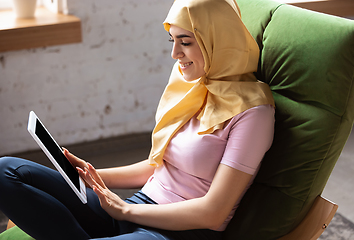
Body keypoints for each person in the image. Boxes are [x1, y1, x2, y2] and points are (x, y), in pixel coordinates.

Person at [0, 0, 275, 239]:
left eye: (186, 42)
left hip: (179, 231)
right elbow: (158, 168)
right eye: (173, 41)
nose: (175, 54)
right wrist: (88, 176)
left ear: (218, 40)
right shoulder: (192, 88)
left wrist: (126, 210)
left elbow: (214, 213)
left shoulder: (253, 113)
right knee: (6, 171)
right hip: (138, 207)